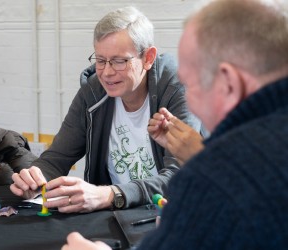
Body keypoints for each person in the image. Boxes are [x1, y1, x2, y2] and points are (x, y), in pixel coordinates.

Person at [62, 0, 288, 248]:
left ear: (230, 83)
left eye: (189, 84)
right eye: (102, 61)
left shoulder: (227, 172)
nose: (187, 98)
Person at [11, 6, 202, 213]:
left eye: (119, 61)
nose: (107, 73)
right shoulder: (92, 92)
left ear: (148, 58)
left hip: (173, 214)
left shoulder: (179, 88)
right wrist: (35, 178)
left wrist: (111, 194)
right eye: (101, 61)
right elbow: (57, 158)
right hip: (115, 215)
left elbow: (181, 175)